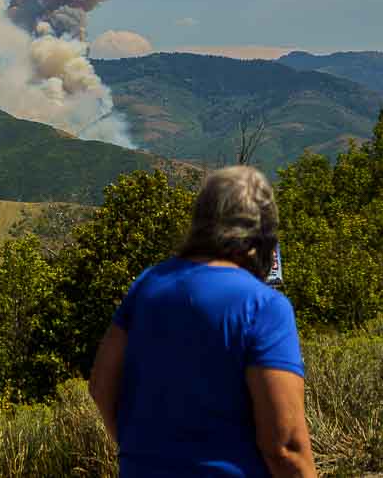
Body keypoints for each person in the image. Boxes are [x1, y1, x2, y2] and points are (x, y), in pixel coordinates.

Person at [90, 165, 315, 478]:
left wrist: (138, 451)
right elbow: (285, 447)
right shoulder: (263, 306)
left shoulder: (147, 285)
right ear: (261, 232)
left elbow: (101, 386)